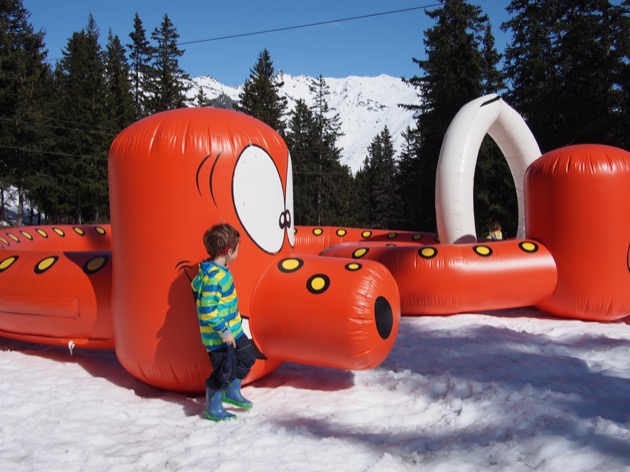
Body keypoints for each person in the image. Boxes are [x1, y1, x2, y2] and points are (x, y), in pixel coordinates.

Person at [191, 223, 255, 422]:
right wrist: (224, 332)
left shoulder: (222, 269)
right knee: (223, 370)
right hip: (218, 338)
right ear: (228, 250)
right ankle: (213, 407)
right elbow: (208, 312)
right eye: (237, 248)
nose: (239, 252)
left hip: (233, 330)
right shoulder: (212, 278)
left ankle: (231, 391)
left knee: (247, 357)